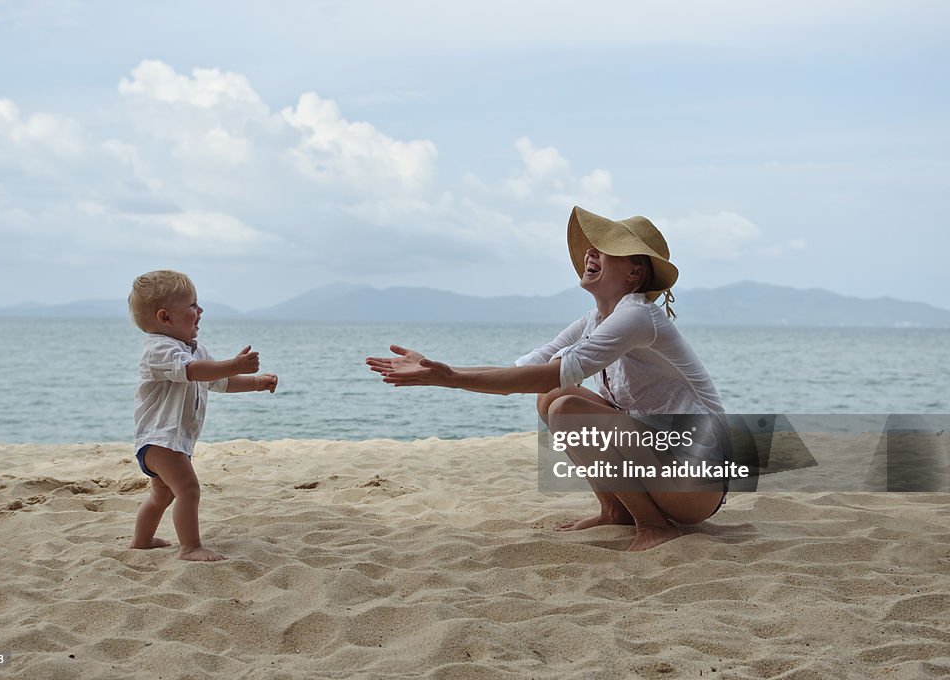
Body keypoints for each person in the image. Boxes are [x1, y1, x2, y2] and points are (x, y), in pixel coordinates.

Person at [367, 206, 729, 551]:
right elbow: (527, 370)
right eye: (593, 246)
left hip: (696, 478)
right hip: (663, 464)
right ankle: (615, 511)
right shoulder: (594, 320)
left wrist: (449, 378)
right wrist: (442, 369)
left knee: (568, 406)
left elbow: (546, 374)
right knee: (552, 398)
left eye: (606, 249)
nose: (591, 251)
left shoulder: (636, 317)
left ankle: (655, 526)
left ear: (634, 274)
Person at [128, 270, 278, 561]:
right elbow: (193, 372)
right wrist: (234, 364)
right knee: (188, 489)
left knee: (163, 495)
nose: (201, 311)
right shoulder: (159, 349)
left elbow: (217, 381)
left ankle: (142, 541)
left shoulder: (192, 350)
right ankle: (190, 547)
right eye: (192, 306)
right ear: (165, 317)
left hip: (170, 442)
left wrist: (256, 382)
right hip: (161, 440)